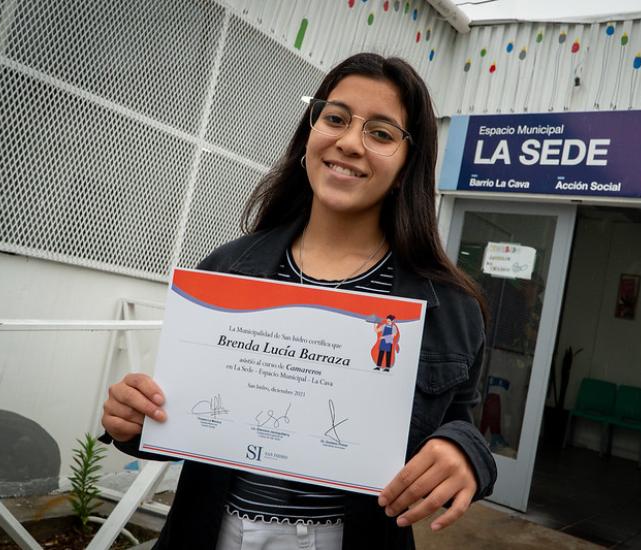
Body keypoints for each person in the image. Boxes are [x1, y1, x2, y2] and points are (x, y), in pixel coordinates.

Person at [101, 52, 496, 550]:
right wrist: (132, 420)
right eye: (336, 118)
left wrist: (463, 452)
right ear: (310, 133)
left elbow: (465, 424)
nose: (349, 142)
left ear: (405, 167)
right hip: (211, 534)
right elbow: (177, 416)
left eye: (380, 133)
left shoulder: (451, 308)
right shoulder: (224, 271)